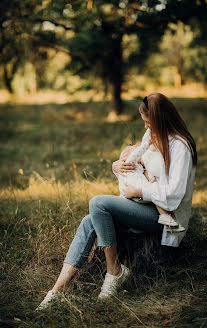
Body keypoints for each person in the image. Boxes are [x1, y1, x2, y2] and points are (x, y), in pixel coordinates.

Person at [36, 92, 197, 311]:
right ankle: (56, 291)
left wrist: (140, 190)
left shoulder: (181, 147)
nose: (145, 128)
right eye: (144, 123)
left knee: (98, 203)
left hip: (165, 215)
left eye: (148, 122)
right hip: (141, 205)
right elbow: (137, 164)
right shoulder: (151, 136)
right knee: (89, 221)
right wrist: (117, 166)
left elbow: (175, 193)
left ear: (161, 120)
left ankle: (114, 272)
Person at [118, 143, 185, 232]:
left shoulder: (139, 168)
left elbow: (141, 182)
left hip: (134, 196)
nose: (142, 156)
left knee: (154, 191)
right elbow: (137, 154)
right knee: (155, 192)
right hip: (132, 194)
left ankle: (166, 218)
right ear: (126, 157)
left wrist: (150, 182)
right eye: (139, 153)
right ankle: (165, 217)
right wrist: (146, 144)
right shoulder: (129, 163)